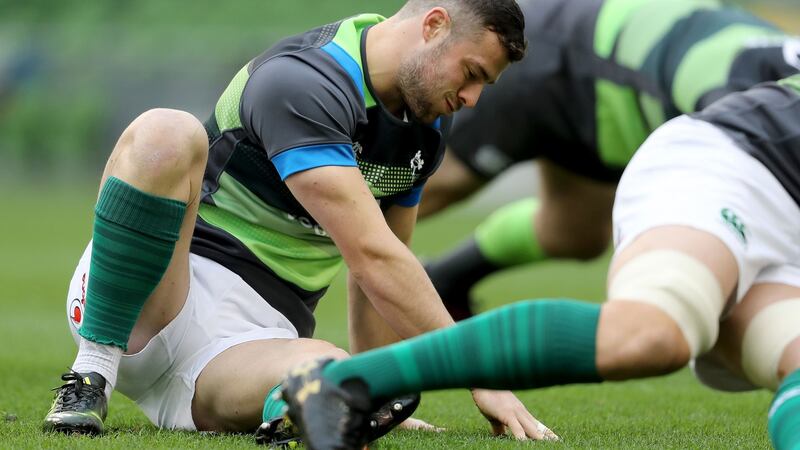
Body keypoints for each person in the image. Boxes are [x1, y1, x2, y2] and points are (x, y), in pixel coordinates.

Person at [41, 0, 538, 445]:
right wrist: (477, 371)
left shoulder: (426, 126)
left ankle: (289, 410)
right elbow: (372, 255)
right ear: (433, 26)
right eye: (471, 73)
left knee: (340, 378)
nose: (472, 97)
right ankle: (91, 374)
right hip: (153, 297)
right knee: (166, 131)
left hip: (249, 349)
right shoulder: (306, 81)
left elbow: (388, 266)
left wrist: (374, 387)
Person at [279, 74, 800, 450]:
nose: (472, 95)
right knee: (652, 333)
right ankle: (346, 383)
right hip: (737, 164)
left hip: (777, 201)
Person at [418, 0, 800, 320]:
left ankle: (445, 279)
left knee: (575, 233)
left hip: (611, 95)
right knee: (426, 188)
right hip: (560, 53)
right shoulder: (744, 100)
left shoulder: (772, 95)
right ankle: (391, 281)